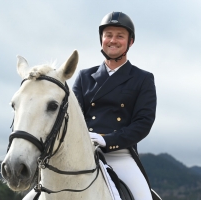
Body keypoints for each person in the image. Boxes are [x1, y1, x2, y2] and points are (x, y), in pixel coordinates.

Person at [72, 11, 157, 200]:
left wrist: (108, 140)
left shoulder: (143, 79)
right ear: (101, 39)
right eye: (108, 35)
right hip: (81, 151)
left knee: (144, 197)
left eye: (120, 36)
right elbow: (70, 117)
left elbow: (143, 122)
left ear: (130, 42)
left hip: (119, 155)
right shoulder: (84, 77)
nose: (113, 40)